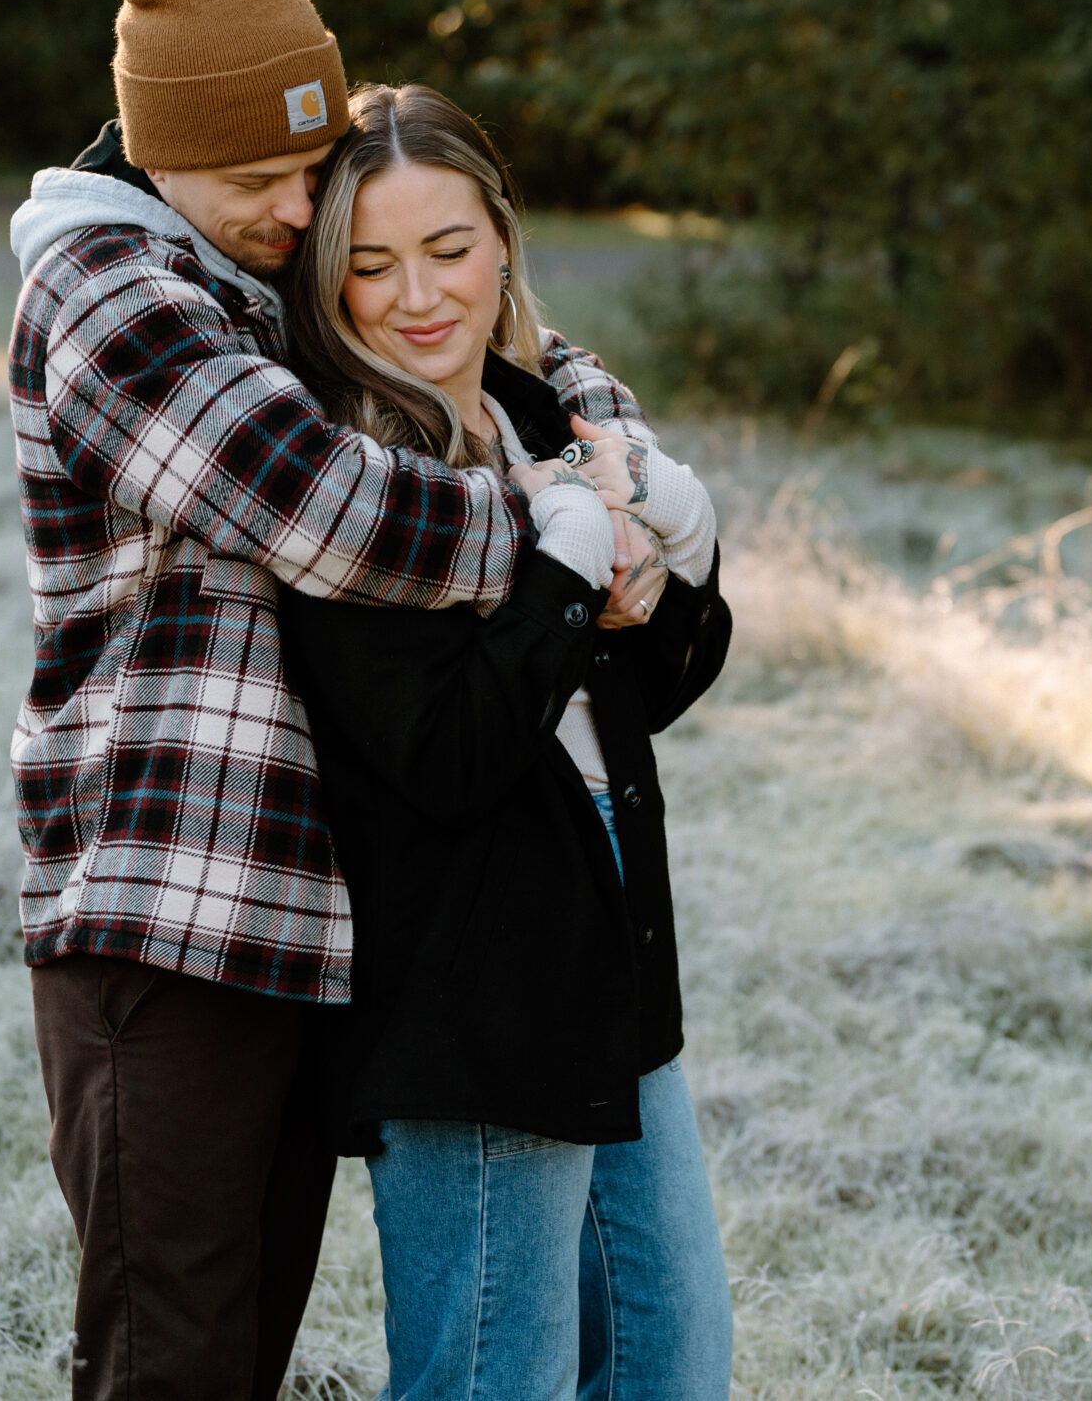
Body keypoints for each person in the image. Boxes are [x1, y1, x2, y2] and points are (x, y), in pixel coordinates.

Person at [3, 0, 674, 1401]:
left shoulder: (242, 270)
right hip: (160, 903)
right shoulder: (111, 294)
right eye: (262, 179)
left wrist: (615, 449)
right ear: (156, 146)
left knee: (246, 1345)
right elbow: (325, 508)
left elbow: (495, 340)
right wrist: (562, 530)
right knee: (170, 1354)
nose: (303, 211)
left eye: (311, 171)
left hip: (298, 913)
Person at [278, 84, 734, 1401]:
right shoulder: (348, 471)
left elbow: (635, 693)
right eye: (370, 264)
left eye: (449, 249)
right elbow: (453, 756)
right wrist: (563, 566)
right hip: (474, 992)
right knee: (496, 1382)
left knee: (672, 1365)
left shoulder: (540, 423)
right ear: (329, 278)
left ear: (504, 244)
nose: (417, 296)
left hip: (613, 956)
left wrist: (683, 549)